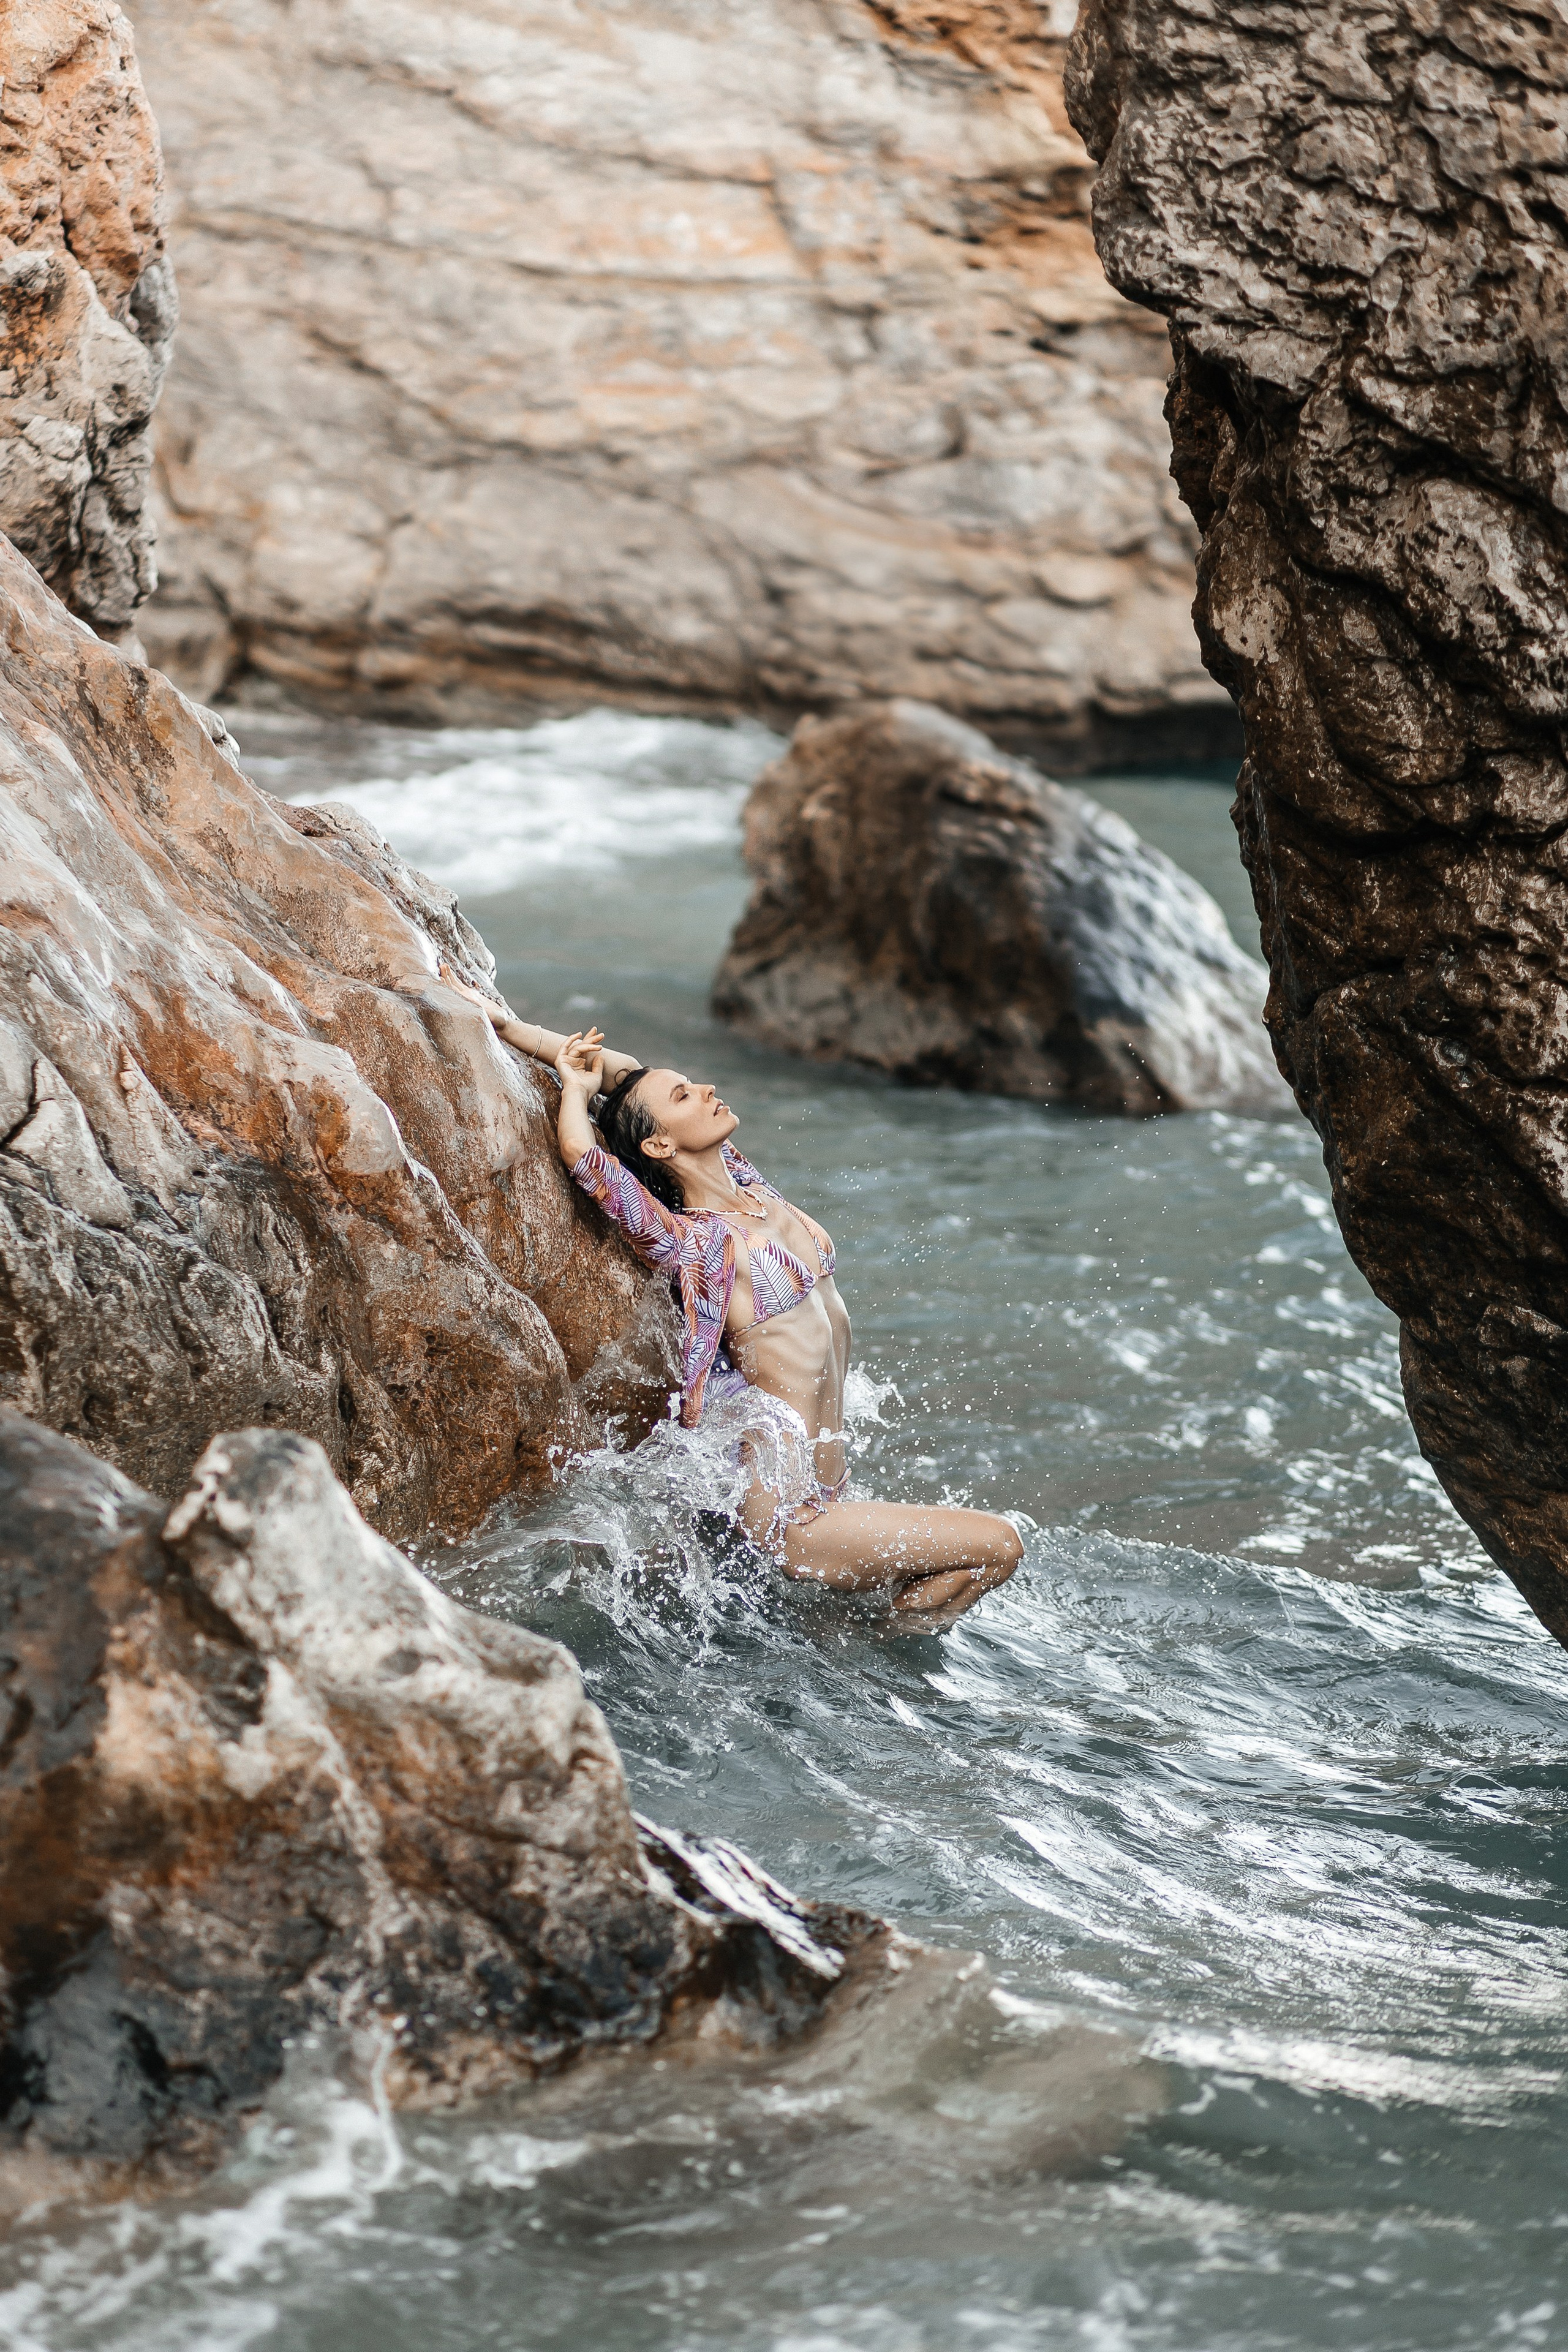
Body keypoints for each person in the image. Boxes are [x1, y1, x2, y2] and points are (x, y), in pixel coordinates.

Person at [456, 982, 1023, 1620]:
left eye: (693, 1083)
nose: (703, 1089)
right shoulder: (693, 1242)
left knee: (967, 1561)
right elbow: (585, 1157)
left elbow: (626, 1075)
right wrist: (576, 1091)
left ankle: (865, 1657)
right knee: (998, 1546)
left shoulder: (749, 1186)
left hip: (827, 1488)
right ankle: (880, 1653)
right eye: (683, 1096)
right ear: (659, 1147)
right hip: (789, 1517)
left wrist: (511, 1027)